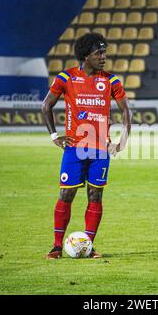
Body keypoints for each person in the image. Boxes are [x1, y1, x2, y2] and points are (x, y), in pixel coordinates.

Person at [41, 33, 131, 259]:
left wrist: (123, 140)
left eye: (104, 52)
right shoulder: (66, 78)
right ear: (85, 56)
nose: (103, 57)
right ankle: (56, 246)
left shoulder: (111, 81)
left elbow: (126, 111)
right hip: (74, 149)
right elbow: (46, 106)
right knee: (66, 194)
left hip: (101, 149)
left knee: (95, 196)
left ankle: (88, 245)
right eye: (98, 53)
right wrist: (55, 136)